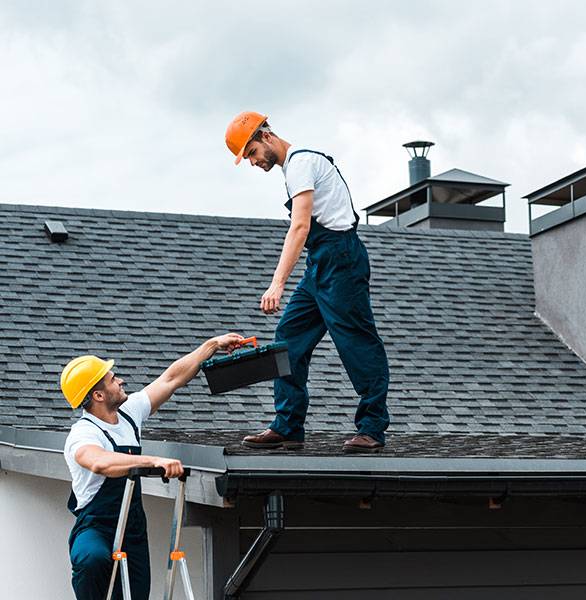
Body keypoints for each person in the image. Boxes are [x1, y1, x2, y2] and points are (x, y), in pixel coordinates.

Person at [225, 111, 389, 453]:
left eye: (252, 153)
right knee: (289, 339)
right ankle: (288, 426)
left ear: (266, 137)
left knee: (356, 342)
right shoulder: (294, 169)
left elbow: (300, 227)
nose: (254, 163)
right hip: (321, 262)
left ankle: (372, 428)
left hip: (340, 260)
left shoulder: (301, 164)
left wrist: (277, 283)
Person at [61, 333, 243, 600]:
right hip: (96, 527)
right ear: (98, 395)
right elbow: (99, 462)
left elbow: (171, 379)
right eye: (113, 379)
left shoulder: (129, 414)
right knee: (92, 559)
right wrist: (153, 460)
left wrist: (213, 345)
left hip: (133, 529)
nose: (120, 380)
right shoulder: (83, 433)